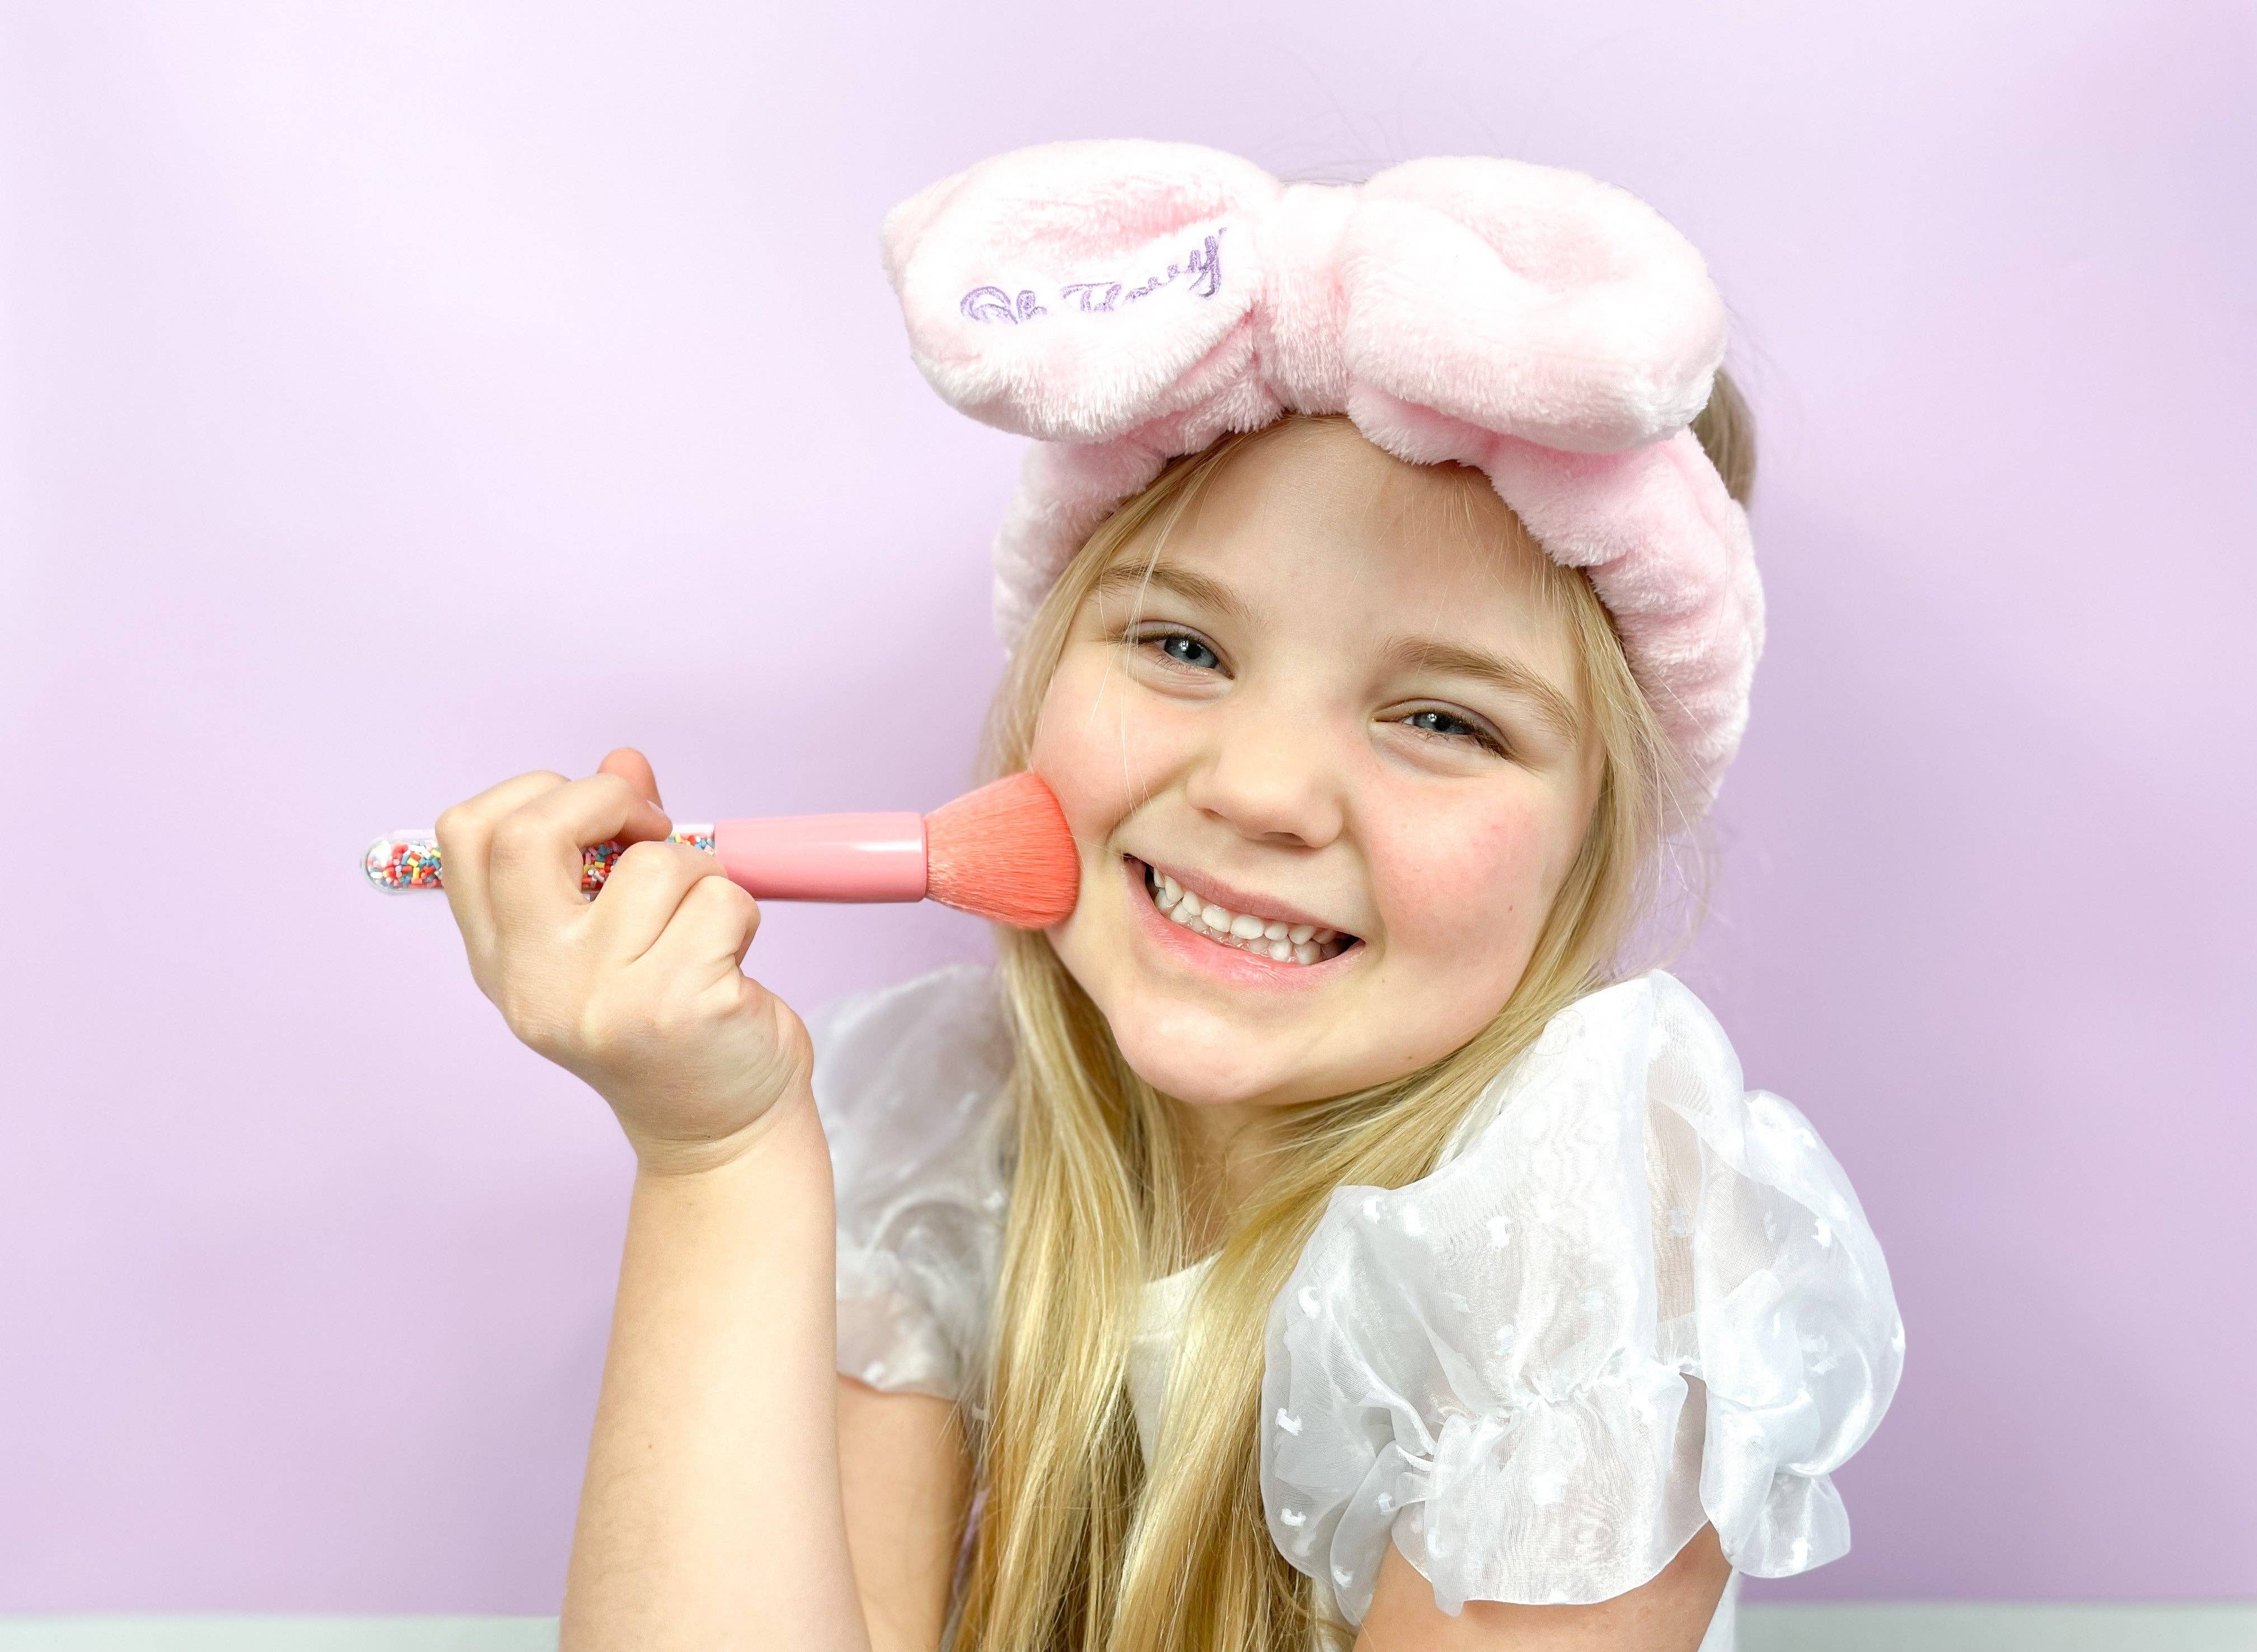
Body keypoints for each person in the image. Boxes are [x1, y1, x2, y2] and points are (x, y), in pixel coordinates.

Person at [432, 141, 1904, 1652]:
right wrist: (717, 1159)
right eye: (1184, 648)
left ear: (1592, 836)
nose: (1261, 789)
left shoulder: (1581, 1263)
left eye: (1444, 720)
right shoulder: (951, 1147)